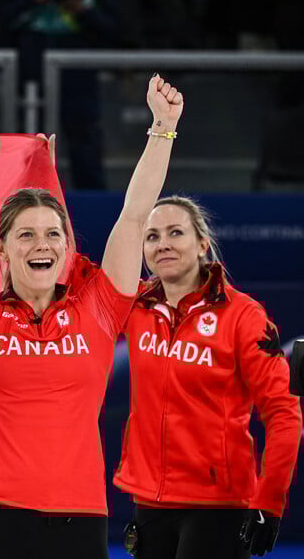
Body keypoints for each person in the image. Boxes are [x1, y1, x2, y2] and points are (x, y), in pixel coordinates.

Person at [0, 73, 182, 558]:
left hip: (80, 520)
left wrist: (162, 127)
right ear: (2, 250)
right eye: (27, 235)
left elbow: (135, 216)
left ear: (67, 246)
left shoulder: (98, 308)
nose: (43, 244)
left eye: (53, 234)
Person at [113, 196, 303, 559]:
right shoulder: (134, 307)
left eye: (175, 232)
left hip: (218, 506)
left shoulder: (244, 316)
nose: (163, 243)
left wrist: (270, 499)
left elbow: (284, 412)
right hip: (150, 502)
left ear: (202, 244)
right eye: (152, 236)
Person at [0, 0, 119, 189]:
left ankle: (93, 216)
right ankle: (21, 207)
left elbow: (115, 30)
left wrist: (83, 12)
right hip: (32, 77)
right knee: (29, 148)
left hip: (80, 79)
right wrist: (34, 1)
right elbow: (2, 18)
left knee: (85, 149)